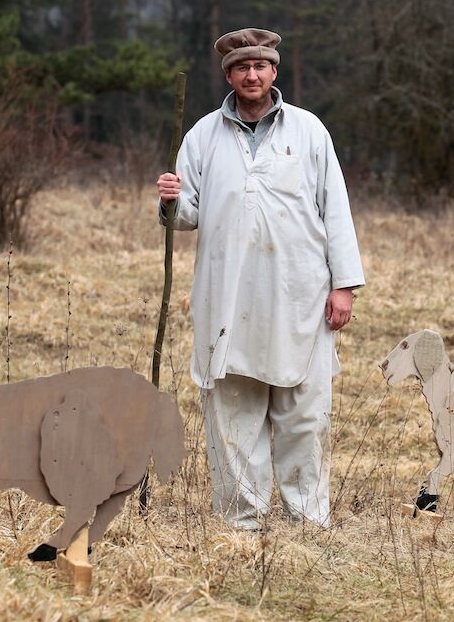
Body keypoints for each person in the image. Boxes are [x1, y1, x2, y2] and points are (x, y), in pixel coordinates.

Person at [156, 28, 364, 530]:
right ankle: (241, 519)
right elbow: (187, 215)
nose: (252, 75)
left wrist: (344, 284)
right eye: (241, 68)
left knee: (303, 413)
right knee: (232, 414)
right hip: (227, 297)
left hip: (300, 295)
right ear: (228, 75)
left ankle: (307, 519)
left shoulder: (309, 131)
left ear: (274, 72)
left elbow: (335, 208)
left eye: (260, 66)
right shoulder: (202, 135)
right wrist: (169, 200)